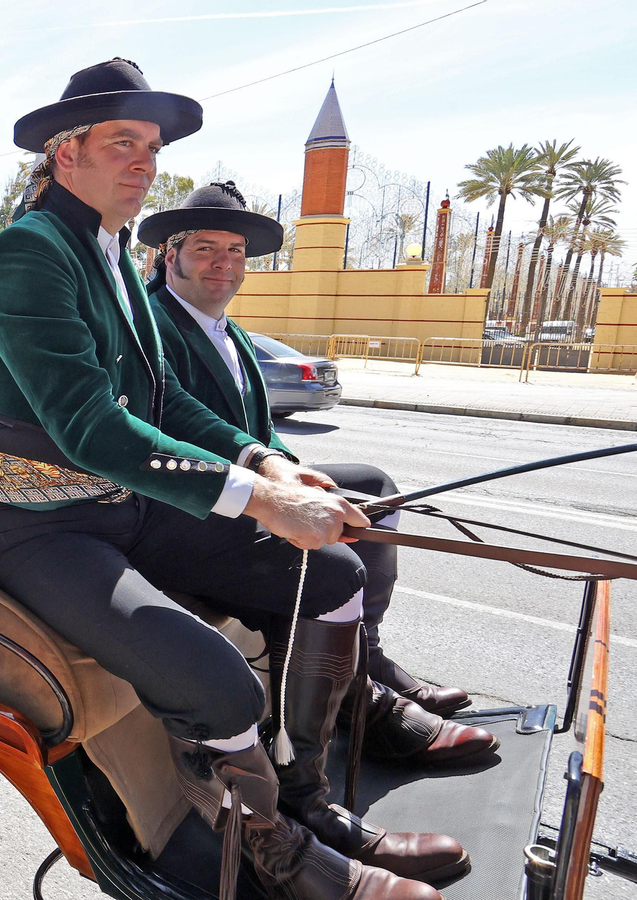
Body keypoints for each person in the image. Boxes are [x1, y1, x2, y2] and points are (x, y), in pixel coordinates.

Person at [0, 58, 447, 899]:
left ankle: (307, 802)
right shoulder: (29, 251)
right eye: (123, 142)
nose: (145, 162)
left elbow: (166, 399)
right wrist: (261, 501)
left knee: (333, 573)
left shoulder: (112, 253)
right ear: (64, 152)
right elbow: (91, 428)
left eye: (152, 147)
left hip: (131, 507)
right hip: (45, 525)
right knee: (216, 683)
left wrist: (270, 461)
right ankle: (274, 856)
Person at [137, 181, 498, 821]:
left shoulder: (229, 333)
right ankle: (316, 769)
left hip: (252, 481)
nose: (223, 263)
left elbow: (261, 430)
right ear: (171, 255)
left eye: (235, 251)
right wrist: (272, 482)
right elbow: (177, 420)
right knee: (331, 563)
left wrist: (297, 472)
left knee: (372, 489)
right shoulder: (151, 324)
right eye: (205, 248)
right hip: (189, 504)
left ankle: (368, 664)